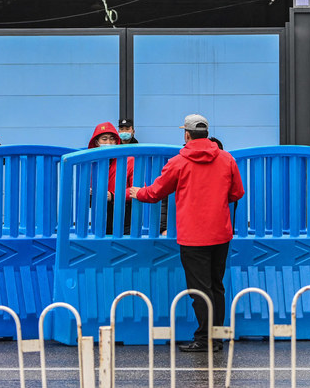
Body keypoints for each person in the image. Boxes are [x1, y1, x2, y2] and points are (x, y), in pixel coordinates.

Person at [128, 114, 244, 353]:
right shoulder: (226, 159)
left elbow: (155, 193)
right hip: (221, 234)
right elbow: (236, 193)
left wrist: (137, 192)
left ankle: (204, 340)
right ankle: (216, 338)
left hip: (193, 237)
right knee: (216, 286)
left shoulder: (179, 162)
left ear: (187, 135)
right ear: (207, 133)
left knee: (200, 289)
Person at [88, 122, 134, 233]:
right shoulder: (91, 163)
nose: (109, 142)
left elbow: (138, 189)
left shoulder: (129, 160)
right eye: (104, 139)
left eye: (112, 139)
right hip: (99, 217)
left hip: (124, 216)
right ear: (97, 142)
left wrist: (113, 196)